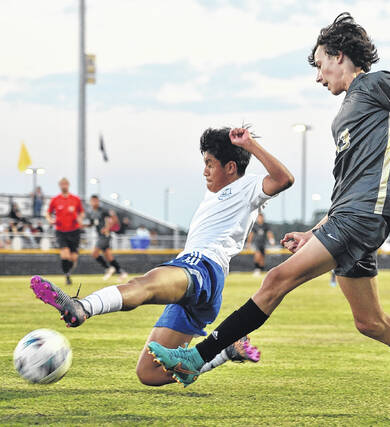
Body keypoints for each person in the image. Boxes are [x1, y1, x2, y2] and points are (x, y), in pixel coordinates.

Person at [148, 13, 390, 416]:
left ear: (339, 55)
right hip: (350, 216)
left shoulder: (380, 83)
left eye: (319, 64)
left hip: (364, 217)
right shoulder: (345, 113)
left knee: (275, 280)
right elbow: (347, 189)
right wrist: (315, 232)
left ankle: (196, 358)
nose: (317, 76)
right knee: (371, 322)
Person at [31, 126, 294, 387]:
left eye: (210, 164)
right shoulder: (218, 191)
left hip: (202, 267)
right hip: (205, 286)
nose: (205, 171)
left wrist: (250, 145)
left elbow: (284, 179)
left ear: (231, 168)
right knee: (149, 373)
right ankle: (226, 352)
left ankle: (82, 307)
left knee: (143, 285)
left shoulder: (247, 186)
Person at [46, 178, 84, 285]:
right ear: (59, 185)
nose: (64, 186)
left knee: (73, 258)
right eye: (62, 184)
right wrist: (50, 219)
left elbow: (81, 212)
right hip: (61, 231)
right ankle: (67, 276)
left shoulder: (76, 199)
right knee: (65, 255)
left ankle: (68, 272)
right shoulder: (55, 199)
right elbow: (48, 213)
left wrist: (80, 219)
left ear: (68, 185)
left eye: (65, 184)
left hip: (74, 231)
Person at [86, 195, 128, 281]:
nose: (94, 202)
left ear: (98, 201)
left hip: (105, 235)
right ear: (90, 202)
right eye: (93, 201)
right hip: (99, 235)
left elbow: (114, 219)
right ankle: (122, 272)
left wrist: (107, 228)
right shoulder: (91, 212)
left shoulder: (103, 211)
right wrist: (83, 225)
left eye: (96, 200)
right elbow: (92, 224)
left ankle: (108, 268)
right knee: (109, 256)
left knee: (94, 253)